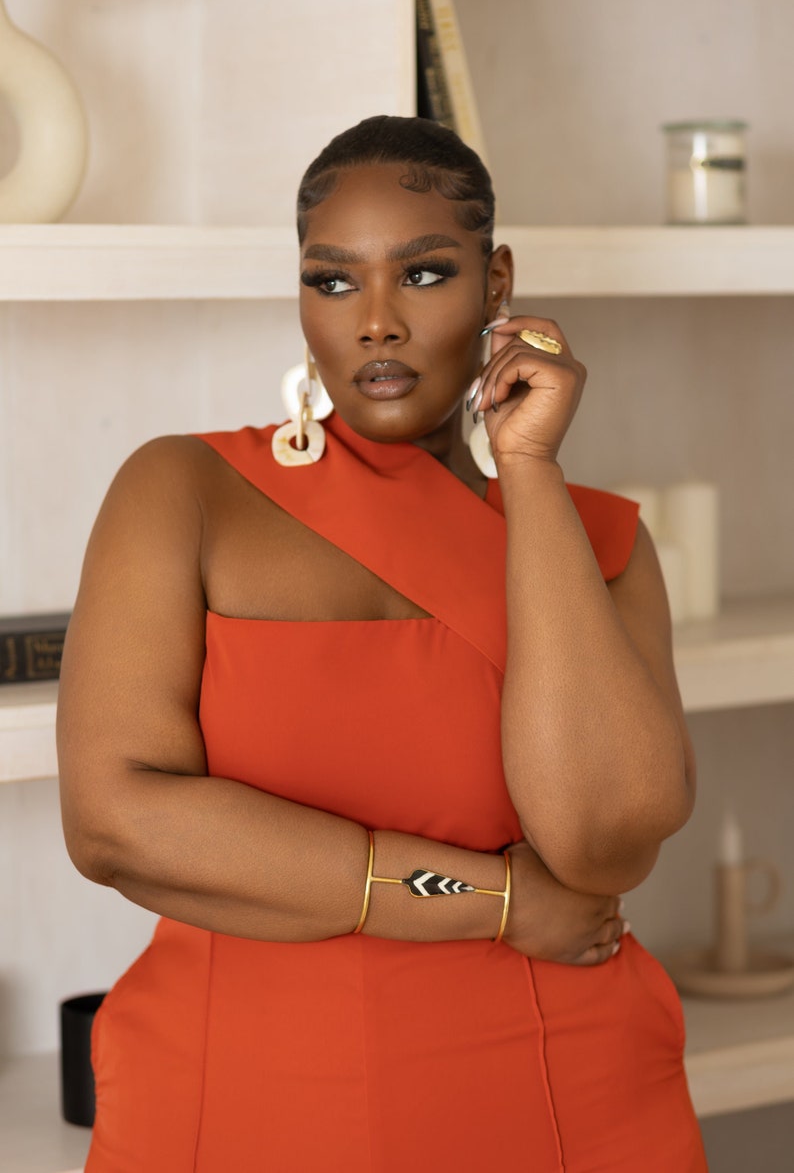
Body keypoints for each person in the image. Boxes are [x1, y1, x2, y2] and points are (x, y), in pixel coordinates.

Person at [57, 115, 706, 1171]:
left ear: (495, 285)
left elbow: (603, 843)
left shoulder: (594, 543)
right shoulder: (184, 493)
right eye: (331, 281)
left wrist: (528, 470)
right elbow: (118, 824)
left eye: (423, 273)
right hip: (246, 1094)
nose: (375, 323)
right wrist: (493, 903)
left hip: (562, 1091)